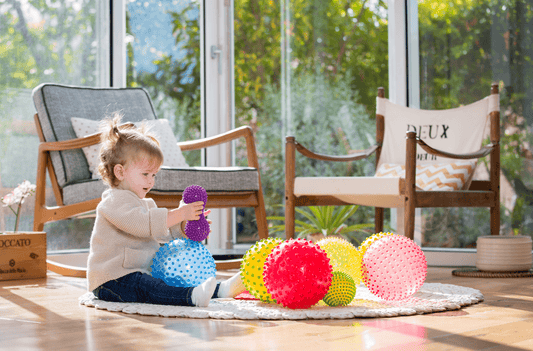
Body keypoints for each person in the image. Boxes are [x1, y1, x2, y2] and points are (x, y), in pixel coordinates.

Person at [87, 113, 245, 307]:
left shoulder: (147, 204)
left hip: (141, 273)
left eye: (153, 174)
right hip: (113, 280)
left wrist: (184, 225)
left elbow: (164, 234)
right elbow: (142, 224)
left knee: (168, 280)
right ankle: (191, 297)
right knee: (148, 287)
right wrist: (179, 213)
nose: (151, 181)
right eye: (145, 174)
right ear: (120, 172)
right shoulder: (112, 202)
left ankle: (220, 289)